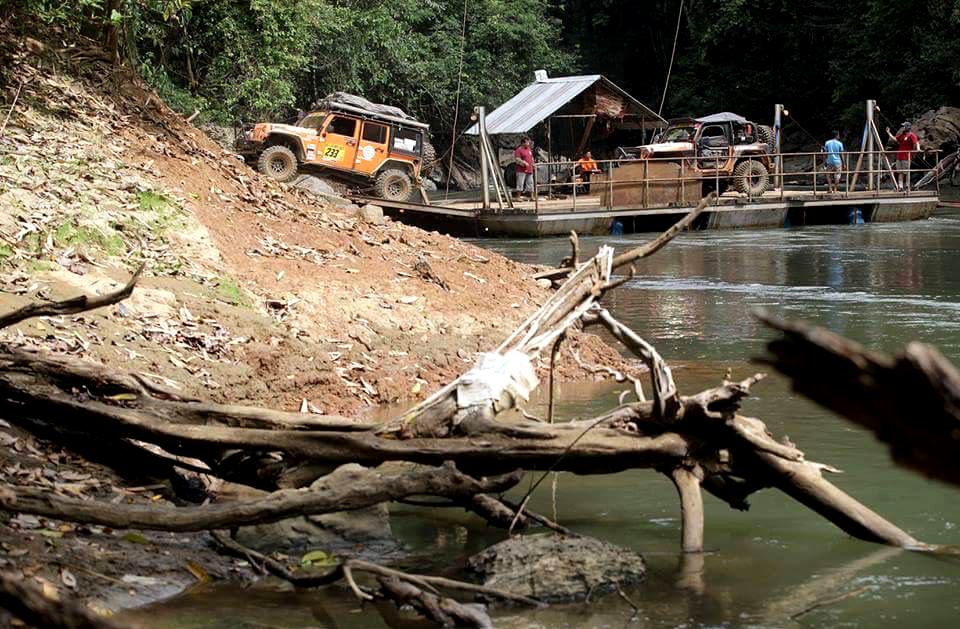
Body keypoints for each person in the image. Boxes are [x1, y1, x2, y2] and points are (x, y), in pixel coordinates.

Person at [885, 122, 920, 191]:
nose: (903, 128)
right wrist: (888, 132)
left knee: (906, 172)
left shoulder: (911, 135)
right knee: (900, 172)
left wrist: (917, 150)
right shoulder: (902, 135)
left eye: (904, 126)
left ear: (907, 127)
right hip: (899, 156)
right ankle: (900, 186)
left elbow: (916, 142)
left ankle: (907, 186)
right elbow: (895, 139)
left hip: (906, 156)